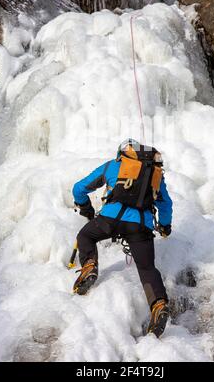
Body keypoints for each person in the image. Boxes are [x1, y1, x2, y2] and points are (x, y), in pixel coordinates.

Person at [72, 139, 173, 338]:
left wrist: (85, 207)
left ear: (122, 154)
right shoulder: (154, 173)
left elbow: (79, 188)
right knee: (146, 268)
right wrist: (164, 226)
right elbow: (165, 204)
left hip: (110, 219)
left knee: (85, 236)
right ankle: (158, 305)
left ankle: (90, 266)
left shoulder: (113, 165)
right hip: (140, 227)